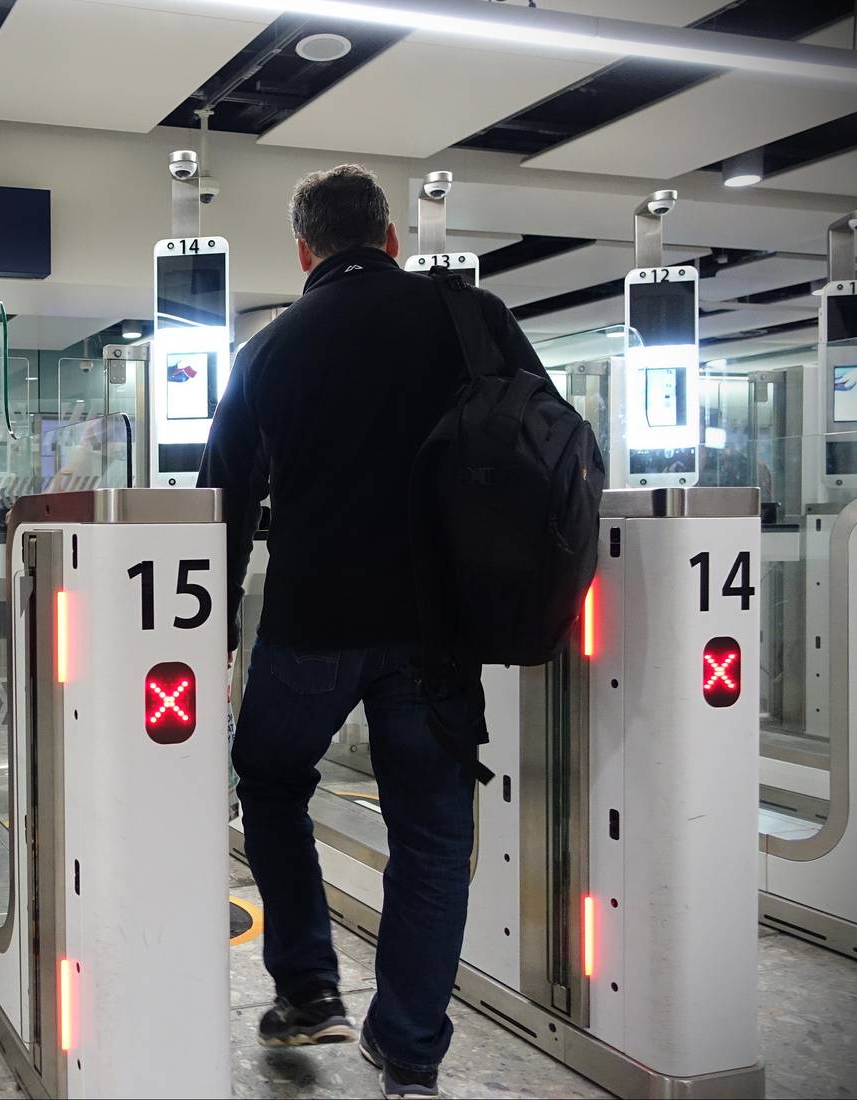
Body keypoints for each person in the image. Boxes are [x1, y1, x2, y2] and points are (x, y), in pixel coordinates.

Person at [198, 165, 549, 1099]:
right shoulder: (471, 317)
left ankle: (309, 985)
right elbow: (547, 445)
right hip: (440, 628)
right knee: (431, 836)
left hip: (312, 622)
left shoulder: (266, 351)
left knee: (271, 780)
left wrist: (219, 625)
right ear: (392, 238)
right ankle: (410, 1055)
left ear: (305, 252)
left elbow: (221, 507)